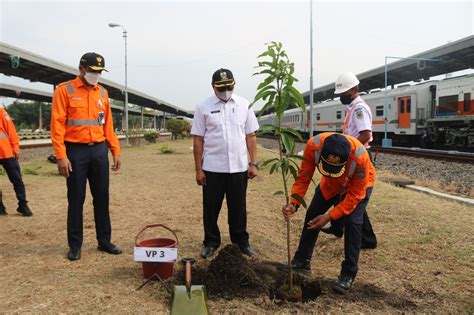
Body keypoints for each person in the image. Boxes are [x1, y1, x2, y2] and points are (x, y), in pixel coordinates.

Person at [277, 132, 376, 294]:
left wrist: (330, 216)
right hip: (331, 184)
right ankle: (302, 261)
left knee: (353, 222)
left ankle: (348, 273)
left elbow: (356, 195)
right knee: (313, 213)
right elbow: (304, 177)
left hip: (358, 186)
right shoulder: (313, 146)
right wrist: (294, 203)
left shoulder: (360, 157)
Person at [51, 52, 122, 261]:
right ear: (81, 69)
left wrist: (115, 150)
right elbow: (56, 126)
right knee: (76, 199)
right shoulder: (65, 90)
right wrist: (61, 156)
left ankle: (105, 241)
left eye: (99, 72)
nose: (96, 75)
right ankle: (75, 245)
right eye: (92, 71)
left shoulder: (102, 93)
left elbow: (107, 124)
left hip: (99, 150)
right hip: (75, 152)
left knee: (102, 197)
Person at [191, 68, 259, 259]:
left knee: (238, 207)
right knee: (211, 208)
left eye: (229, 86)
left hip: (238, 168)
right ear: (213, 87)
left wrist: (254, 163)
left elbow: (251, 136)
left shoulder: (244, 105)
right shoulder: (203, 107)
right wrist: (198, 169)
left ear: (234, 84)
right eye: (221, 87)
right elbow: (198, 140)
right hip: (212, 168)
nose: (225, 90)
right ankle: (211, 242)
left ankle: (241, 243)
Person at [320, 72, 377, 249]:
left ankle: (367, 240)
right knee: (345, 194)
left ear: (353, 90)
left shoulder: (359, 108)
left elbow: (365, 135)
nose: (341, 97)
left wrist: (348, 152)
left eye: (343, 93)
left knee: (356, 199)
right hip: (354, 155)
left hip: (359, 157)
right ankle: (338, 227)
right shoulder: (352, 107)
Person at [0, 107, 33, 216]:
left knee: (17, 179)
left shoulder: (0, 111)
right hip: (6, 151)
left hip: (6, 151)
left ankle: (23, 205)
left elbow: (11, 129)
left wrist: (15, 147)